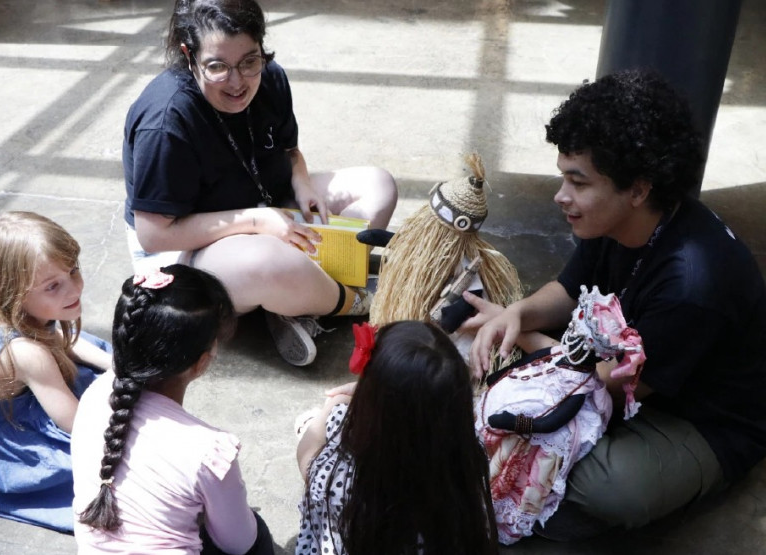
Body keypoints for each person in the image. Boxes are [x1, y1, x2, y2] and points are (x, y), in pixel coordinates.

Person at [464, 69, 766, 539]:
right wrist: (517, 313)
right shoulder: (617, 221)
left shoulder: (693, 284)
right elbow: (569, 288)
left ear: (637, 188)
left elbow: (614, 387)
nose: (561, 196)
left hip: (700, 423)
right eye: (562, 178)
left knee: (608, 488)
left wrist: (532, 343)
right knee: (526, 433)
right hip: (632, 379)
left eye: (578, 182)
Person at [123, 0, 398, 367]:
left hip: (264, 203)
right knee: (267, 262)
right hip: (187, 251)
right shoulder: (167, 121)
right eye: (218, 67)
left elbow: (290, 150)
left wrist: (301, 180)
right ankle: (348, 299)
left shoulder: (270, 78)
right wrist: (255, 221)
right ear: (189, 55)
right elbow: (154, 235)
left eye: (250, 61)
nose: (237, 82)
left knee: (379, 185)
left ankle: (292, 301)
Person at [71, 265, 274, 554]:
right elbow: (238, 543)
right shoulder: (209, 451)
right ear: (202, 361)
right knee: (257, 532)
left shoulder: (94, 395)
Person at [0, 211, 113, 533]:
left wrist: (114, 367)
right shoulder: (26, 353)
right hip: (1, 455)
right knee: (117, 474)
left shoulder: (4, 309)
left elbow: (56, 335)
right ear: (13, 291)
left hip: (21, 401)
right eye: (53, 286)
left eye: (74, 271)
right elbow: (81, 428)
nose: (74, 290)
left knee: (105, 355)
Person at [295, 321, 500, 554]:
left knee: (310, 425)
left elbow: (307, 460)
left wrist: (332, 405)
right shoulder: (469, 454)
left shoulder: (344, 475)